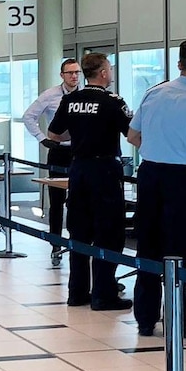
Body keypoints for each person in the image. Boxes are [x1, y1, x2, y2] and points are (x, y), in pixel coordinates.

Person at [127, 39, 186, 338]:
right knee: (177, 250)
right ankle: (178, 319)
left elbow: (132, 136)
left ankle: (145, 319)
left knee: (148, 246)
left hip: (150, 175)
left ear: (179, 64)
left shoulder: (154, 92)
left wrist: (158, 150)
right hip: (182, 179)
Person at [47, 53, 133, 310]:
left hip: (78, 168)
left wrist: (80, 134)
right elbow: (132, 134)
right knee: (109, 233)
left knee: (79, 231)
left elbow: (54, 133)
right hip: (104, 169)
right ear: (103, 72)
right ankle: (104, 294)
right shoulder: (112, 101)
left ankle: (77, 292)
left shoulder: (71, 99)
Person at [23, 58, 82, 256]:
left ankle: (78, 241)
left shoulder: (85, 95)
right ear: (62, 75)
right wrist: (41, 138)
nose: (74, 76)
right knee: (56, 200)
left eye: (77, 72)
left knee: (78, 199)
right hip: (58, 151)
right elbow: (28, 116)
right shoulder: (50, 95)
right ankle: (55, 242)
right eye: (70, 73)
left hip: (80, 151)